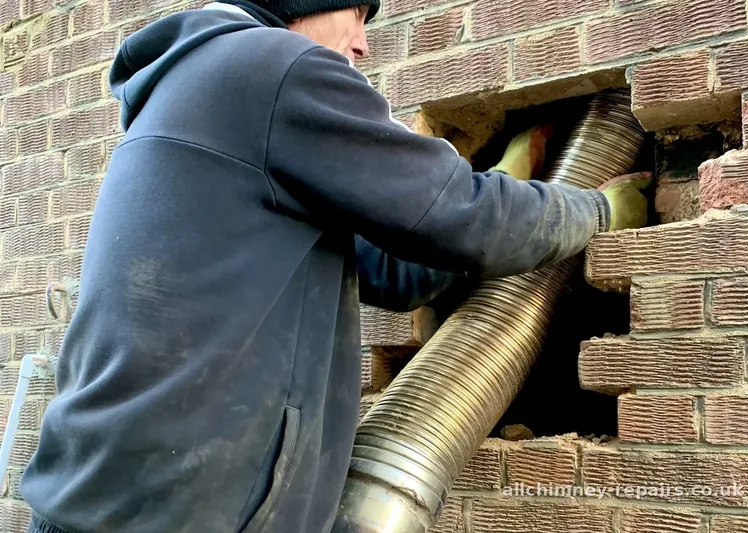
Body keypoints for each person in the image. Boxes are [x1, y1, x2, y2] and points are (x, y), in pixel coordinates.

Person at [20, 1, 650, 532]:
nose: (364, 44)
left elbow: (401, 269)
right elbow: (462, 219)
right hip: (175, 510)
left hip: (112, 497)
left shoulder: (203, 89)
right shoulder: (272, 65)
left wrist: (495, 182)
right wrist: (598, 207)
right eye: (356, 13)